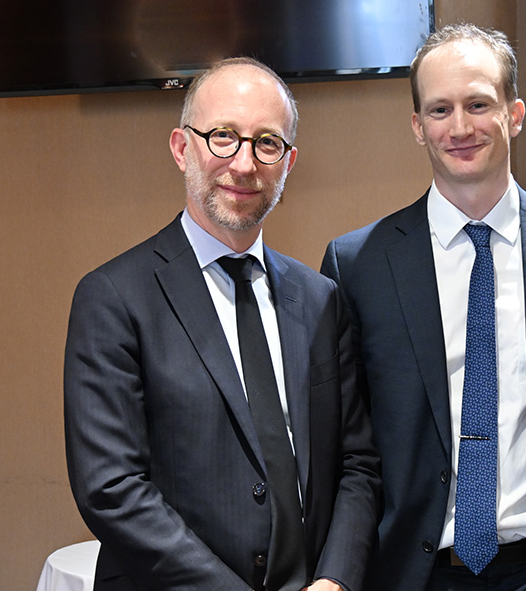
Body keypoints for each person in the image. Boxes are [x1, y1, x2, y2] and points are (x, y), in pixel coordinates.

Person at [320, 23, 526, 591]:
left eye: (478, 104)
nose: (460, 127)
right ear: (417, 126)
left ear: (514, 114)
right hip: (415, 574)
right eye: (439, 110)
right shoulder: (358, 264)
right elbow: (348, 449)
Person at [64, 57, 380, 591]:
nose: (243, 163)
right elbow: (111, 487)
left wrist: (335, 580)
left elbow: (358, 465)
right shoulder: (114, 297)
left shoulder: (321, 298)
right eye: (223, 137)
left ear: (288, 162)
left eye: (266, 142)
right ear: (182, 147)